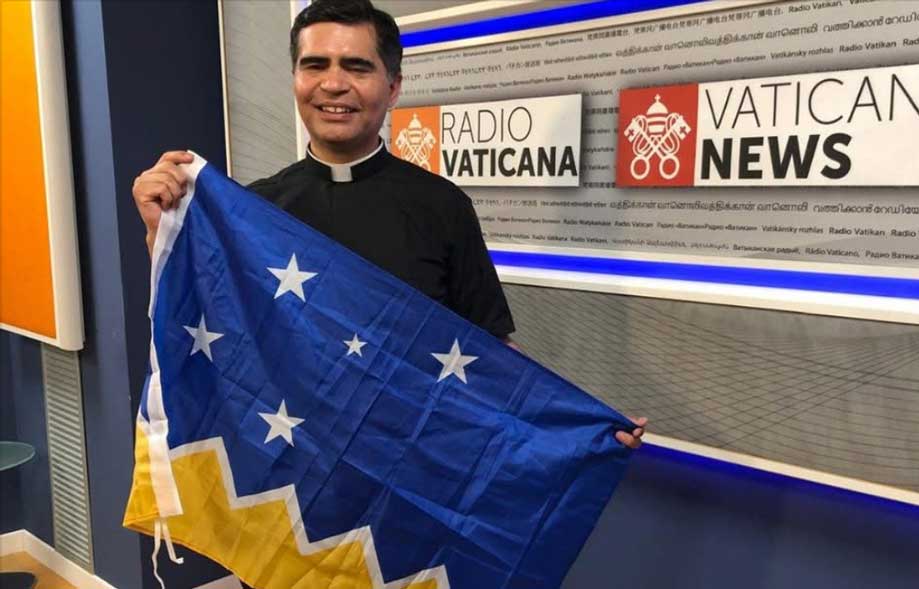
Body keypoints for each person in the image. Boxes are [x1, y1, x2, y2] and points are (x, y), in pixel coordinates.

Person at [131, 0, 646, 450]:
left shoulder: (442, 207)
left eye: (357, 66)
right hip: (289, 463)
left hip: (405, 469)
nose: (334, 83)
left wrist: (579, 425)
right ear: (295, 80)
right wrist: (161, 230)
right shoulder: (254, 210)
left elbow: (490, 354)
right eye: (315, 65)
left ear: (393, 87)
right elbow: (200, 321)